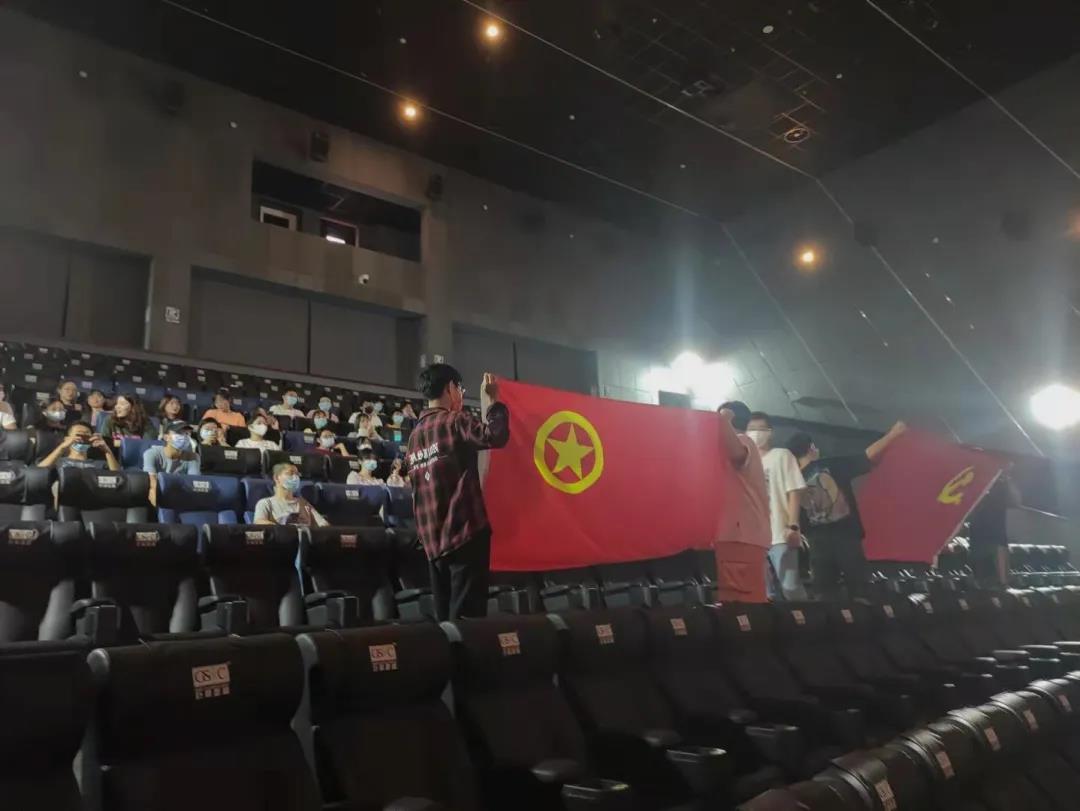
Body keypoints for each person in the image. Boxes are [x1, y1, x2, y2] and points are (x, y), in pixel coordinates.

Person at [407, 364, 510, 621]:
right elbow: (496, 436)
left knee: (446, 623)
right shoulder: (455, 420)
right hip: (464, 535)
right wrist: (493, 402)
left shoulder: (414, 436)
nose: (461, 394)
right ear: (450, 387)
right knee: (468, 622)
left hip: (433, 543)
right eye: (460, 388)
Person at [786, 421, 907, 600]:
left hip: (817, 544)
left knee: (824, 595)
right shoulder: (831, 465)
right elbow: (867, 456)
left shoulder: (791, 482)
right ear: (811, 448)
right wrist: (894, 434)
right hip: (846, 538)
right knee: (860, 591)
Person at [744, 411, 807, 601]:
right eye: (752, 429)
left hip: (780, 534)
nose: (756, 433)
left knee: (790, 586)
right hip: (754, 537)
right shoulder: (745, 462)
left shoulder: (782, 455)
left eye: (761, 429)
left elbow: (794, 490)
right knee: (764, 591)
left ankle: (805, 616)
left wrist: (793, 526)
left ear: (770, 432)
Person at [713, 402, 771, 603]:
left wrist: (723, 419)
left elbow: (736, 453)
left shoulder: (743, 440)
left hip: (741, 534)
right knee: (737, 599)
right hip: (739, 534)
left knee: (742, 601)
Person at [967, 470, 1020, 587]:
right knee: (982, 573)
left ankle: (1002, 581)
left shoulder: (1001, 484)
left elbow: (1016, 502)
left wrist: (1006, 478)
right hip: (979, 537)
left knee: (998, 551)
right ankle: (996, 581)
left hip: (993, 536)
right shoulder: (977, 480)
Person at [253, 463, 329, 527]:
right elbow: (259, 522)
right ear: (276, 478)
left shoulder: (303, 503)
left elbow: (323, 524)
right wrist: (281, 529)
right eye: (290, 473)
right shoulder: (266, 503)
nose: (295, 477)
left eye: (297, 474)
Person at [37, 421, 119, 471]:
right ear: (67, 439)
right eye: (78, 434)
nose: (82, 437)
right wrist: (62, 447)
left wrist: (107, 450)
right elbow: (39, 472)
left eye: (86, 434)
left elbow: (118, 477)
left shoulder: (99, 464)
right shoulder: (58, 462)